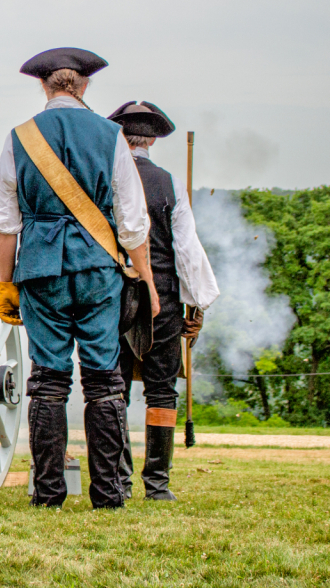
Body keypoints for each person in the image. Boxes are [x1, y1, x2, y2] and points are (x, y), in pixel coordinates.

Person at [0, 48, 160, 509]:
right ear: (83, 86)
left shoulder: (19, 137)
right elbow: (132, 221)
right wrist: (145, 280)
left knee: (48, 381)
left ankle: (48, 494)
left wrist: (7, 284)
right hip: (99, 271)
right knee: (105, 380)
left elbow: (6, 223)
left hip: (40, 271)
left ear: (43, 86)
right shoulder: (111, 135)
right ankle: (108, 495)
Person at [108, 101, 219, 501]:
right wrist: (197, 306)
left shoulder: (104, 177)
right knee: (161, 390)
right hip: (166, 297)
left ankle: (117, 481)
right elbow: (186, 250)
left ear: (120, 136)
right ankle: (157, 485)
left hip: (112, 295)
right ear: (152, 140)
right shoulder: (170, 183)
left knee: (112, 388)